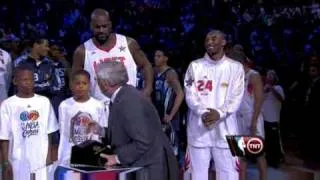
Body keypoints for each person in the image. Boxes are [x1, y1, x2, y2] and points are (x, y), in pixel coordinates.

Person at [96, 61, 178, 180]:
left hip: (149, 169)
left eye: (97, 79)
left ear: (104, 84)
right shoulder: (122, 95)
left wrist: (117, 158)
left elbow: (143, 142)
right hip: (142, 165)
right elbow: (126, 133)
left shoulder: (129, 101)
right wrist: (101, 131)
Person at [184, 30, 245, 180]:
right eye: (207, 39)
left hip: (228, 131)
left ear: (223, 42)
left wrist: (219, 113)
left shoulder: (236, 67)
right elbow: (190, 95)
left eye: (214, 38)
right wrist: (203, 112)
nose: (209, 42)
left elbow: (236, 98)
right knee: (197, 176)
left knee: (230, 175)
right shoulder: (194, 66)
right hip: (198, 130)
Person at [72, 8, 153, 106]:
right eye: (97, 27)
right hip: (99, 108)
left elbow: (146, 65)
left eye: (104, 26)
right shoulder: (82, 51)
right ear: (91, 26)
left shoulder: (128, 44)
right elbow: (74, 79)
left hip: (129, 104)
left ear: (110, 25)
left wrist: (147, 90)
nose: (101, 30)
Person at [0, 66, 58, 180]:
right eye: (24, 80)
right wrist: (6, 162)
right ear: (15, 81)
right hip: (17, 160)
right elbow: (4, 137)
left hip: (40, 159)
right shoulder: (7, 105)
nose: (29, 83)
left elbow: (50, 132)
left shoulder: (44, 102)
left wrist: (49, 157)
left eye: (31, 80)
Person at [227, 50, 267, 180]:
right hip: (238, 119)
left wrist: (254, 122)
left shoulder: (253, 75)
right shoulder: (234, 77)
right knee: (241, 157)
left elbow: (259, 100)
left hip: (252, 117)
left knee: (259, 154)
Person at [57, 70, 107, 166]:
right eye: (77, 83)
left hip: (92, 153)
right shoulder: (64, 105)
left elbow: (103, 131)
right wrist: (63, 154)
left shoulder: (98, 105)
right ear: (71, 85)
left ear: (89, 85)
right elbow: (63, 132)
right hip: (70, 154)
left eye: (84, 83)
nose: (81, 86)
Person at [153, 49, 184, 156]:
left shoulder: (170, 73)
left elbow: (180, 94)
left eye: (159, 56)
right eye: (155, 56)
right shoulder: (156, 72)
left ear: (166, 58)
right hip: (160, 115)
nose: (155, 58)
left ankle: (175, 170)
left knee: (172, 149)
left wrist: (171, 114)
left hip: (170, 116)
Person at [262, 70, 285, 168]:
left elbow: (281, 99)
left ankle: (277, 159)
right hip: (264, 119)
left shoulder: (278, 88)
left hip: (274, 119)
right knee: (267, 141)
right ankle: (268, 158)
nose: (269, 77)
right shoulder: (264, 89)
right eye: (268, 75)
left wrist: (271, 89)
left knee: (275, 141)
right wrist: (265, 91)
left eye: (271, 75)